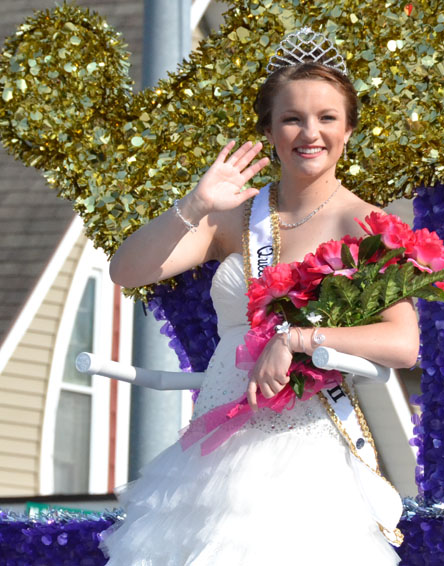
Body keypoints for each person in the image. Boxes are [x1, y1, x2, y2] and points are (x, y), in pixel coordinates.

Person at [103, 28, 419, 566]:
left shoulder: (366, 223)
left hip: (304, 453)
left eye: (327, 118)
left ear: (348, 130)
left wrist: (297, 338)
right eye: (292, 118)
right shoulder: (235, 217)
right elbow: (126, 271)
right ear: (269, 130)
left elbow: (403, 341)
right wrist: (195, 204)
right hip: (212, 458)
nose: (309, 132)